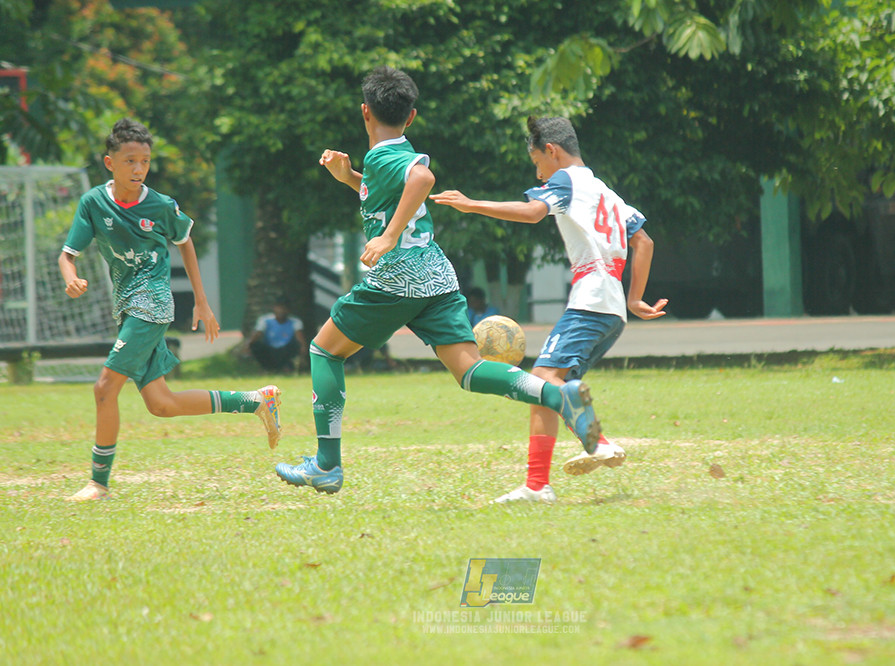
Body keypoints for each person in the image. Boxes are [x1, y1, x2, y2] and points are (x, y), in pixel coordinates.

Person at [273, 66, 600, 495]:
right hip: (436, 276)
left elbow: (422, 178)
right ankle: (558, 397)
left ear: (364, 112)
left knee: (323, 351)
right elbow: (390, 196)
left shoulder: (384, 155)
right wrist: (349, 179)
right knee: (469, 371)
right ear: (411, 117)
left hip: (397, 279)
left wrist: (388, 238)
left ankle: (326, 465)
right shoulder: (383, 159)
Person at [431, 116, 668, 503]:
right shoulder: (604, 190)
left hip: (589, 302)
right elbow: (643, 240)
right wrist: (634, 297)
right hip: (611, 310)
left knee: (541, 379)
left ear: (551, 152)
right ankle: (538, 485)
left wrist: (471, 205)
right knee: (546, 384)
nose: (539, 174)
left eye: (537, 163)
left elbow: (532, 213)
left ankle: (599, 442)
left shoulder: (565, 181)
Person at [58, 118, 282, 502]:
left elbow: (185, 242)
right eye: (130, 160)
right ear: (109, 163)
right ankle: (258, 400)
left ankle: (98, 483)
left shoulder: (160, 205)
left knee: (104, 388)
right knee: (162, 404)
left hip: (152, 304)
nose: (138, 169)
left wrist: (202, 300)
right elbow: (67, 255)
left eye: (144, 161)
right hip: (127, 307)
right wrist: (71, 277)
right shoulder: (93, 202)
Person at [243, 298, 307, 373]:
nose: (281, 311)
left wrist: (303, 348)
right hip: (270, 350)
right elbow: (257, 334)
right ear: (274, 308)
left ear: (288, 310)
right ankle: (266, 367)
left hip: (285, 350)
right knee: (256, 345)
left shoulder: (295, 322)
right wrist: (248, 346)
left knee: (296, 344)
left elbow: (299, 337)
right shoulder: (265, 320)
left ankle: (286, 366)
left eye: (284, 308)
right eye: (279, 307)